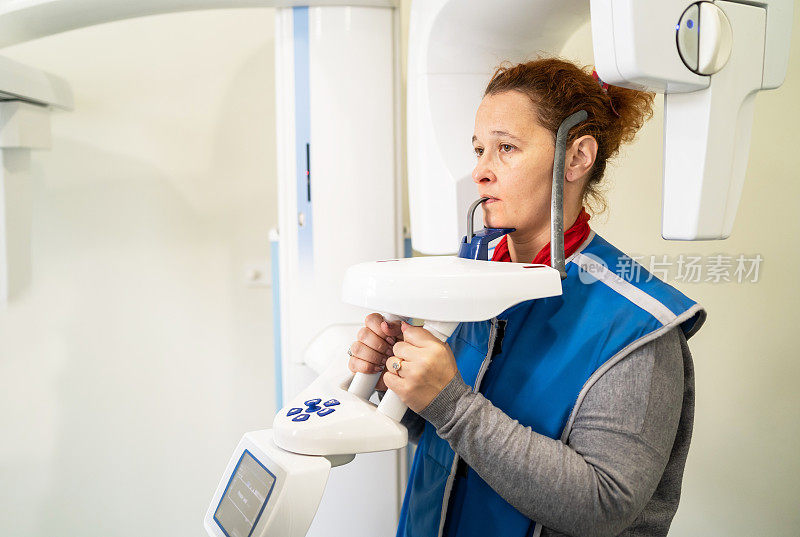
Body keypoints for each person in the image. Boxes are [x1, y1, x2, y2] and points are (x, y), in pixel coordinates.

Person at [348, 57, 706, 537]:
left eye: (506, 148)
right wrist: (395, 381)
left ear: (576, 158)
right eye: (478, 150)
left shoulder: (636, 324)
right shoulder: (465, 286)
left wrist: (450, 402)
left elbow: (604, 506)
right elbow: (445, 439)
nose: (480, 172)